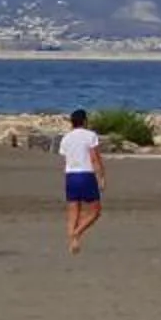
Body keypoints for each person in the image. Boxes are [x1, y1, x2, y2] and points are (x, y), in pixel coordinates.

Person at [60, 108, 105, 255]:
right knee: (96, 211)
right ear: (85, 121)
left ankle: (73, 242)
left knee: (74, 210)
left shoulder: (66, 138)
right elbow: (94, 157)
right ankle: (76, 233)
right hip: (86, 174)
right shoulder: (90, 136)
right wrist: (101, 177)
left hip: (70, 175)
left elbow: (67, 158)